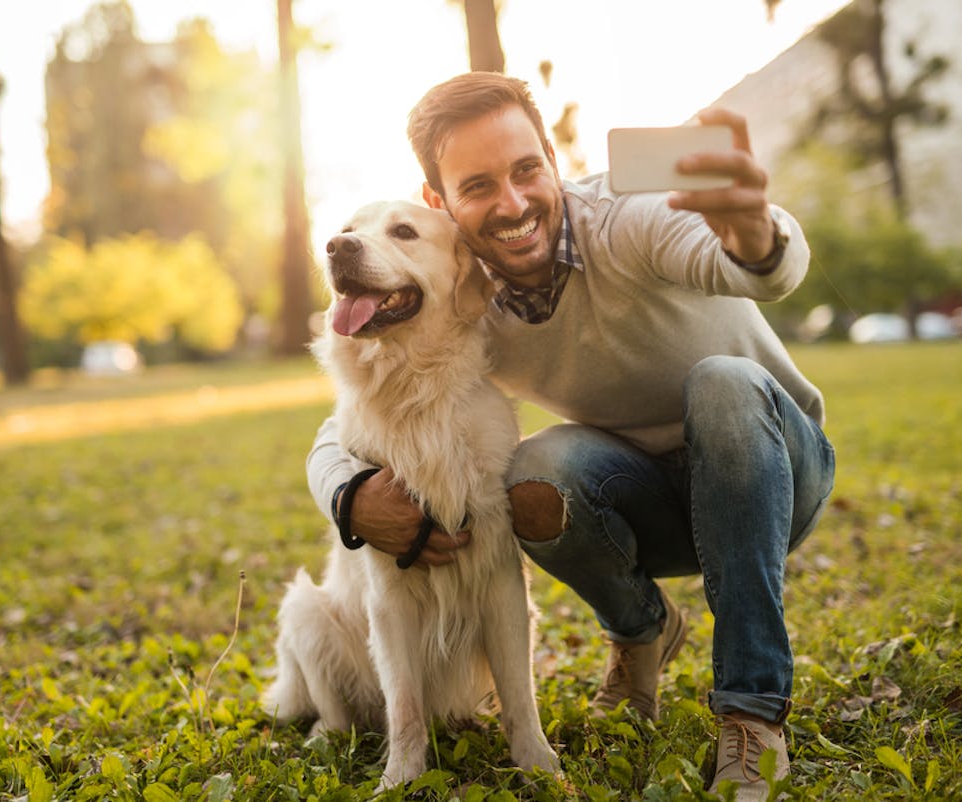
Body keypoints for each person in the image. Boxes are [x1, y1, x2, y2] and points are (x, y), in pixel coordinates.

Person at [306, 72, 835, 800]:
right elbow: (354, 423)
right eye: (480, 184)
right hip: (648, 498)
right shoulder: (460, 301)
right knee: (537, 471)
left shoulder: (627, 217)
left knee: (724, 382)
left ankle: (751, 715)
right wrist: (348, 494)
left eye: (528, 170)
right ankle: (642, 631)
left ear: (553, 162)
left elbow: (754, 268)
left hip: (772, 471)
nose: (514, 203)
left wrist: (753, 233)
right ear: (442, 204)